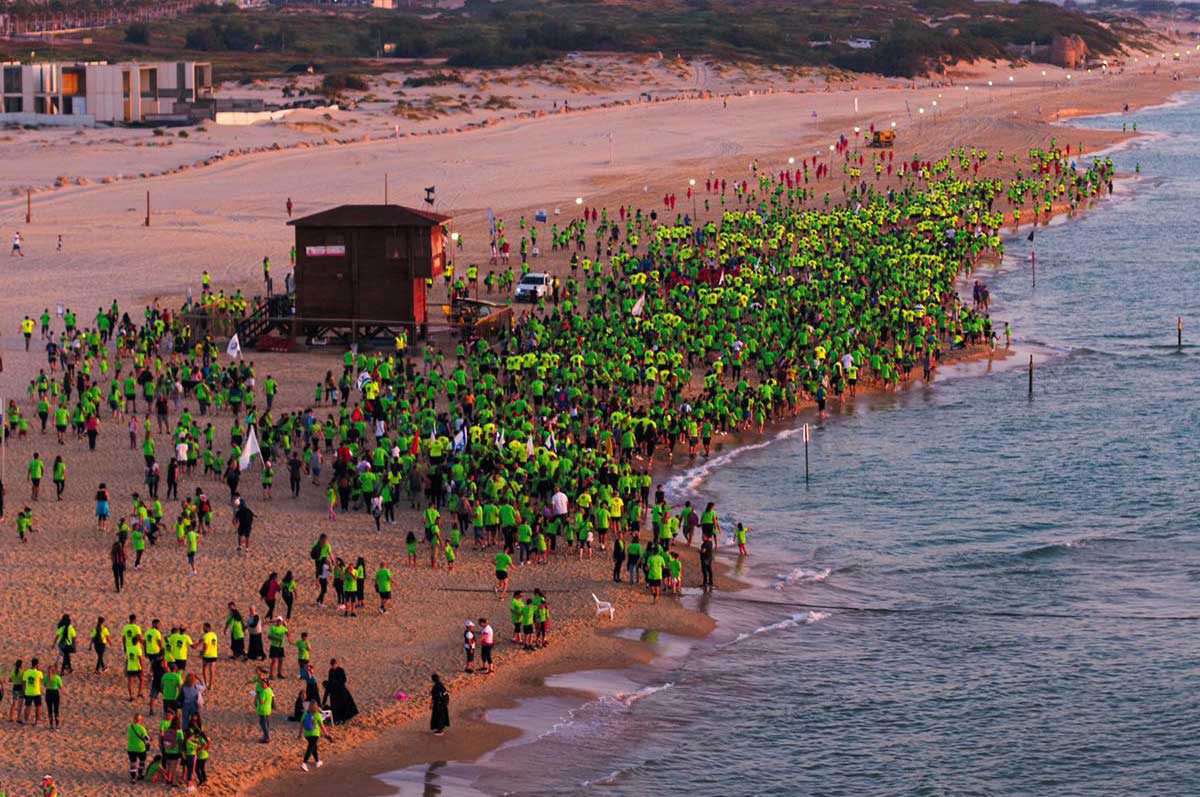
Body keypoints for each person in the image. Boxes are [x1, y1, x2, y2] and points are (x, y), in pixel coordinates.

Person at [299, 699, 333, 772]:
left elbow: (301, 724)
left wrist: (299, 734)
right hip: (315, 734)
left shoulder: (305, 713)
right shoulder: (317, 714)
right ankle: (304, 763)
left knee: (313, 746)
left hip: (307, 734)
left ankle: (317, 761)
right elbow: (322, 726)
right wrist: (327, 734)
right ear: (316, 706)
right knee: (310, 748)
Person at [321, 658, 358, 723]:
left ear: (336, 664)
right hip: (334, 692)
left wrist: (337, 682)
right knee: (335, 707)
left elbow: (344, 680)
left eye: (334, 665)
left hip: (341, 691)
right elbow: (329, 681)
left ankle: (344, 719)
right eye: (332, 665)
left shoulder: (341, 670)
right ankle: (337, 719)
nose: (333, 666)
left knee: (344, 705)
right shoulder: (331, 671)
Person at [127, 712, 151, 782]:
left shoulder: (130, 727)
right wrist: (148, 746)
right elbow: (146, 739)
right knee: (142, 761)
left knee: (133, 763)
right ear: (140, 720)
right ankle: (140, 774)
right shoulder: (142, 728)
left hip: (131, 748)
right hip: (140, 748)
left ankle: (133, 778)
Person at [256, 676, 274, 743]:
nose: (262, 685)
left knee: (263, 723)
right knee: (267, 723)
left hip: (263, 710)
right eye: (261, 683)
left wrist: (258, 696)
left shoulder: (263, 692)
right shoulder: (270, 690)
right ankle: (266, 735)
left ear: (266, 684)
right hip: (268, 709)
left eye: (263, 683)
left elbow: (262, 701)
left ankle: (266, 737)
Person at [44, 664, 61, 730]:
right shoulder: (57, 677)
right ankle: (57, 726)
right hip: (55, 693)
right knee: (56, 709)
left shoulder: (45, 677)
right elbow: (60, 686)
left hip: (48, 693)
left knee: (49, 709)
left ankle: (51, 725)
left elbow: (45, 685)